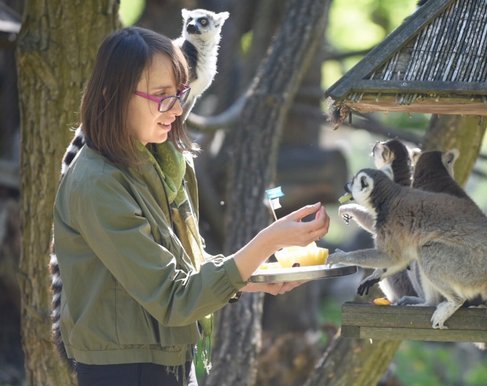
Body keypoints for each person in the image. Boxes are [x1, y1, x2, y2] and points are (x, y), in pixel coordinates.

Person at [52, 26, 329, 386]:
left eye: (179, 93)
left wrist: (251, 274)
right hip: (126, 372)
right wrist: (267, 242)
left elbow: (178, 271)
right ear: (113, 95)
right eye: (162, 96)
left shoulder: (157, 162)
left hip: (167, 363)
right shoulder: (98, 183)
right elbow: (174, 298)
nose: (177, 109)